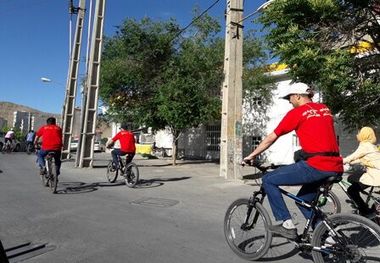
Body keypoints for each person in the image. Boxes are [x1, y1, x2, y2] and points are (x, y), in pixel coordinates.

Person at [243, 82, 343, 240]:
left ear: (297, 96)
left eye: (290, 98)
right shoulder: (325, 109)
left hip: (316, 166)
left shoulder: (296, 113)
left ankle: (287, 225)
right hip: (335, 166)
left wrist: (252, 155)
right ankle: (329, 237)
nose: (289, 101)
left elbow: (271, 138)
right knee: (304, 201)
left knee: (268, 179)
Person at [343, 126, 380, 217]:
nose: (357, 135)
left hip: (375, 175)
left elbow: (354, 156)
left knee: (351, 187)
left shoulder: (365, 145)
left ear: (364, 135)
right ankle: (362, 196)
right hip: (376, 173)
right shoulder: (371, 146)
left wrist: (338, 161)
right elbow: (361, 159)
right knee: (354, 179)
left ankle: (366, 211)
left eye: (359, 133)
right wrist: (351, 162)